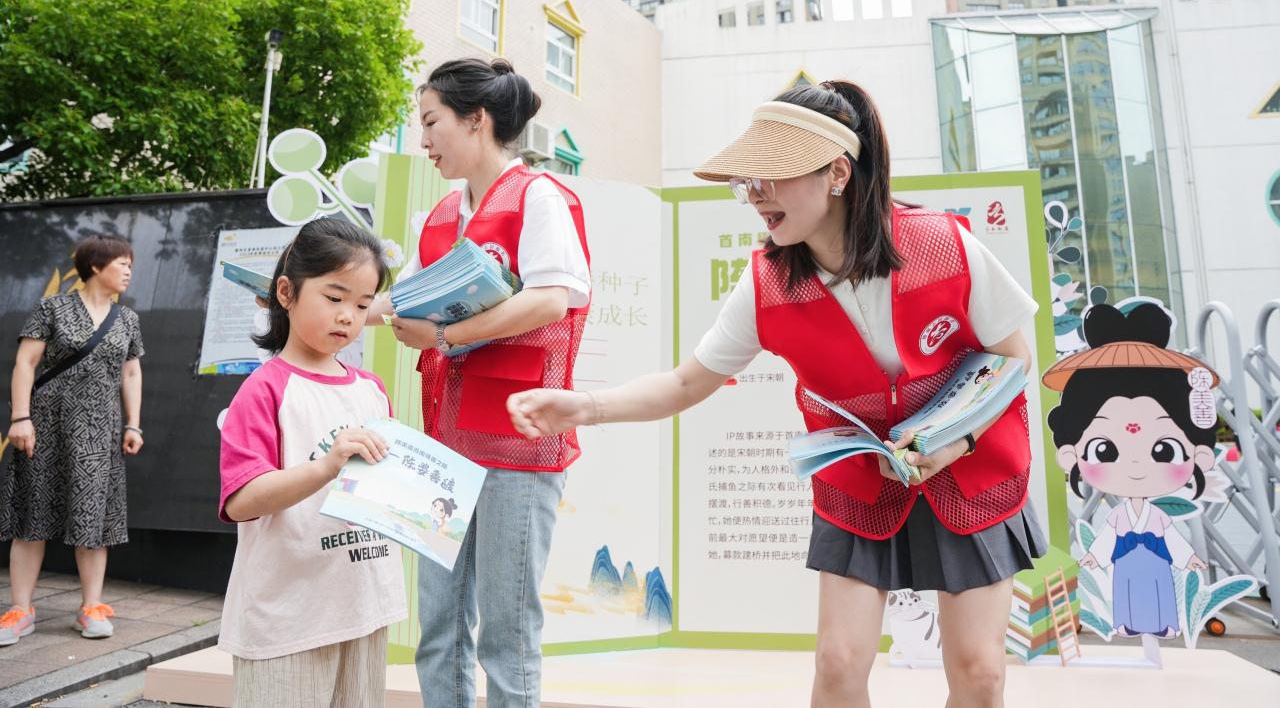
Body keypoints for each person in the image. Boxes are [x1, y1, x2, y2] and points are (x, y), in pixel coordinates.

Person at [508, 81, 1045, 708]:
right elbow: (685, 382)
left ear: (837, 173)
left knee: (979, 671)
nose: (756, 193)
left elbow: (1014, 358)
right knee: (837, 665)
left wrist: (955, 442)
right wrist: (585, 406)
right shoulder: (766, 283)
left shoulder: (941, 243)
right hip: (861, 481)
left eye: (773, 174)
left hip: (972, 467)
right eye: (748, 180)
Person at [376, 58, 591, 708]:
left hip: (517, 444)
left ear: (477, 120)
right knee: (437, 627)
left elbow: (552, 298)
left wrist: (446, 336)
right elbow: (400, 300)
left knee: (507, 633)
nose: (423, 139)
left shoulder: (539, 197)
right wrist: (327, 305)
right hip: (444, 445)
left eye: (431, 122)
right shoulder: (442, 214)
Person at [217, 218, 406, 707]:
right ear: (286, 292)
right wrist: (325, 467)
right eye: (334, 297)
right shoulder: (264, 390)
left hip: (364, 607)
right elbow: (240, 501)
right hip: (287, 616)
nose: (348, 316)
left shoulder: (372, 389)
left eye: (362, 305)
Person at [1, 233, 144, 645]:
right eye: (122, 263)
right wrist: (20, 417)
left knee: (93, 518)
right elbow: (25, 363)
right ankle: (20, 609)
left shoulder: (127, 319)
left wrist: (133, 424)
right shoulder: (52, 307)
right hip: (45, 425)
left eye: (130, 265)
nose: (128, 271)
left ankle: (91, 607)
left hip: (100, 431)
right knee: (32, 516)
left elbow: (131, 371)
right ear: (96, 266)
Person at [1045, 303, 1214, 638]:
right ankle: (1128, 623)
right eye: (1104, 449)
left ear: (1199, 451)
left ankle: (1163, 624)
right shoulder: (1121, 518)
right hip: (1126, 564)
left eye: (1164, 449)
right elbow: (1108, 539)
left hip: (1156, 562)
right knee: (1125, 592)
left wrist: (1188, 558)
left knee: (1160, 590)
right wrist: (1094, 558)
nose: (1136, 464)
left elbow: (1172, 540)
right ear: (1070, 452)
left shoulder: (1157, 517)